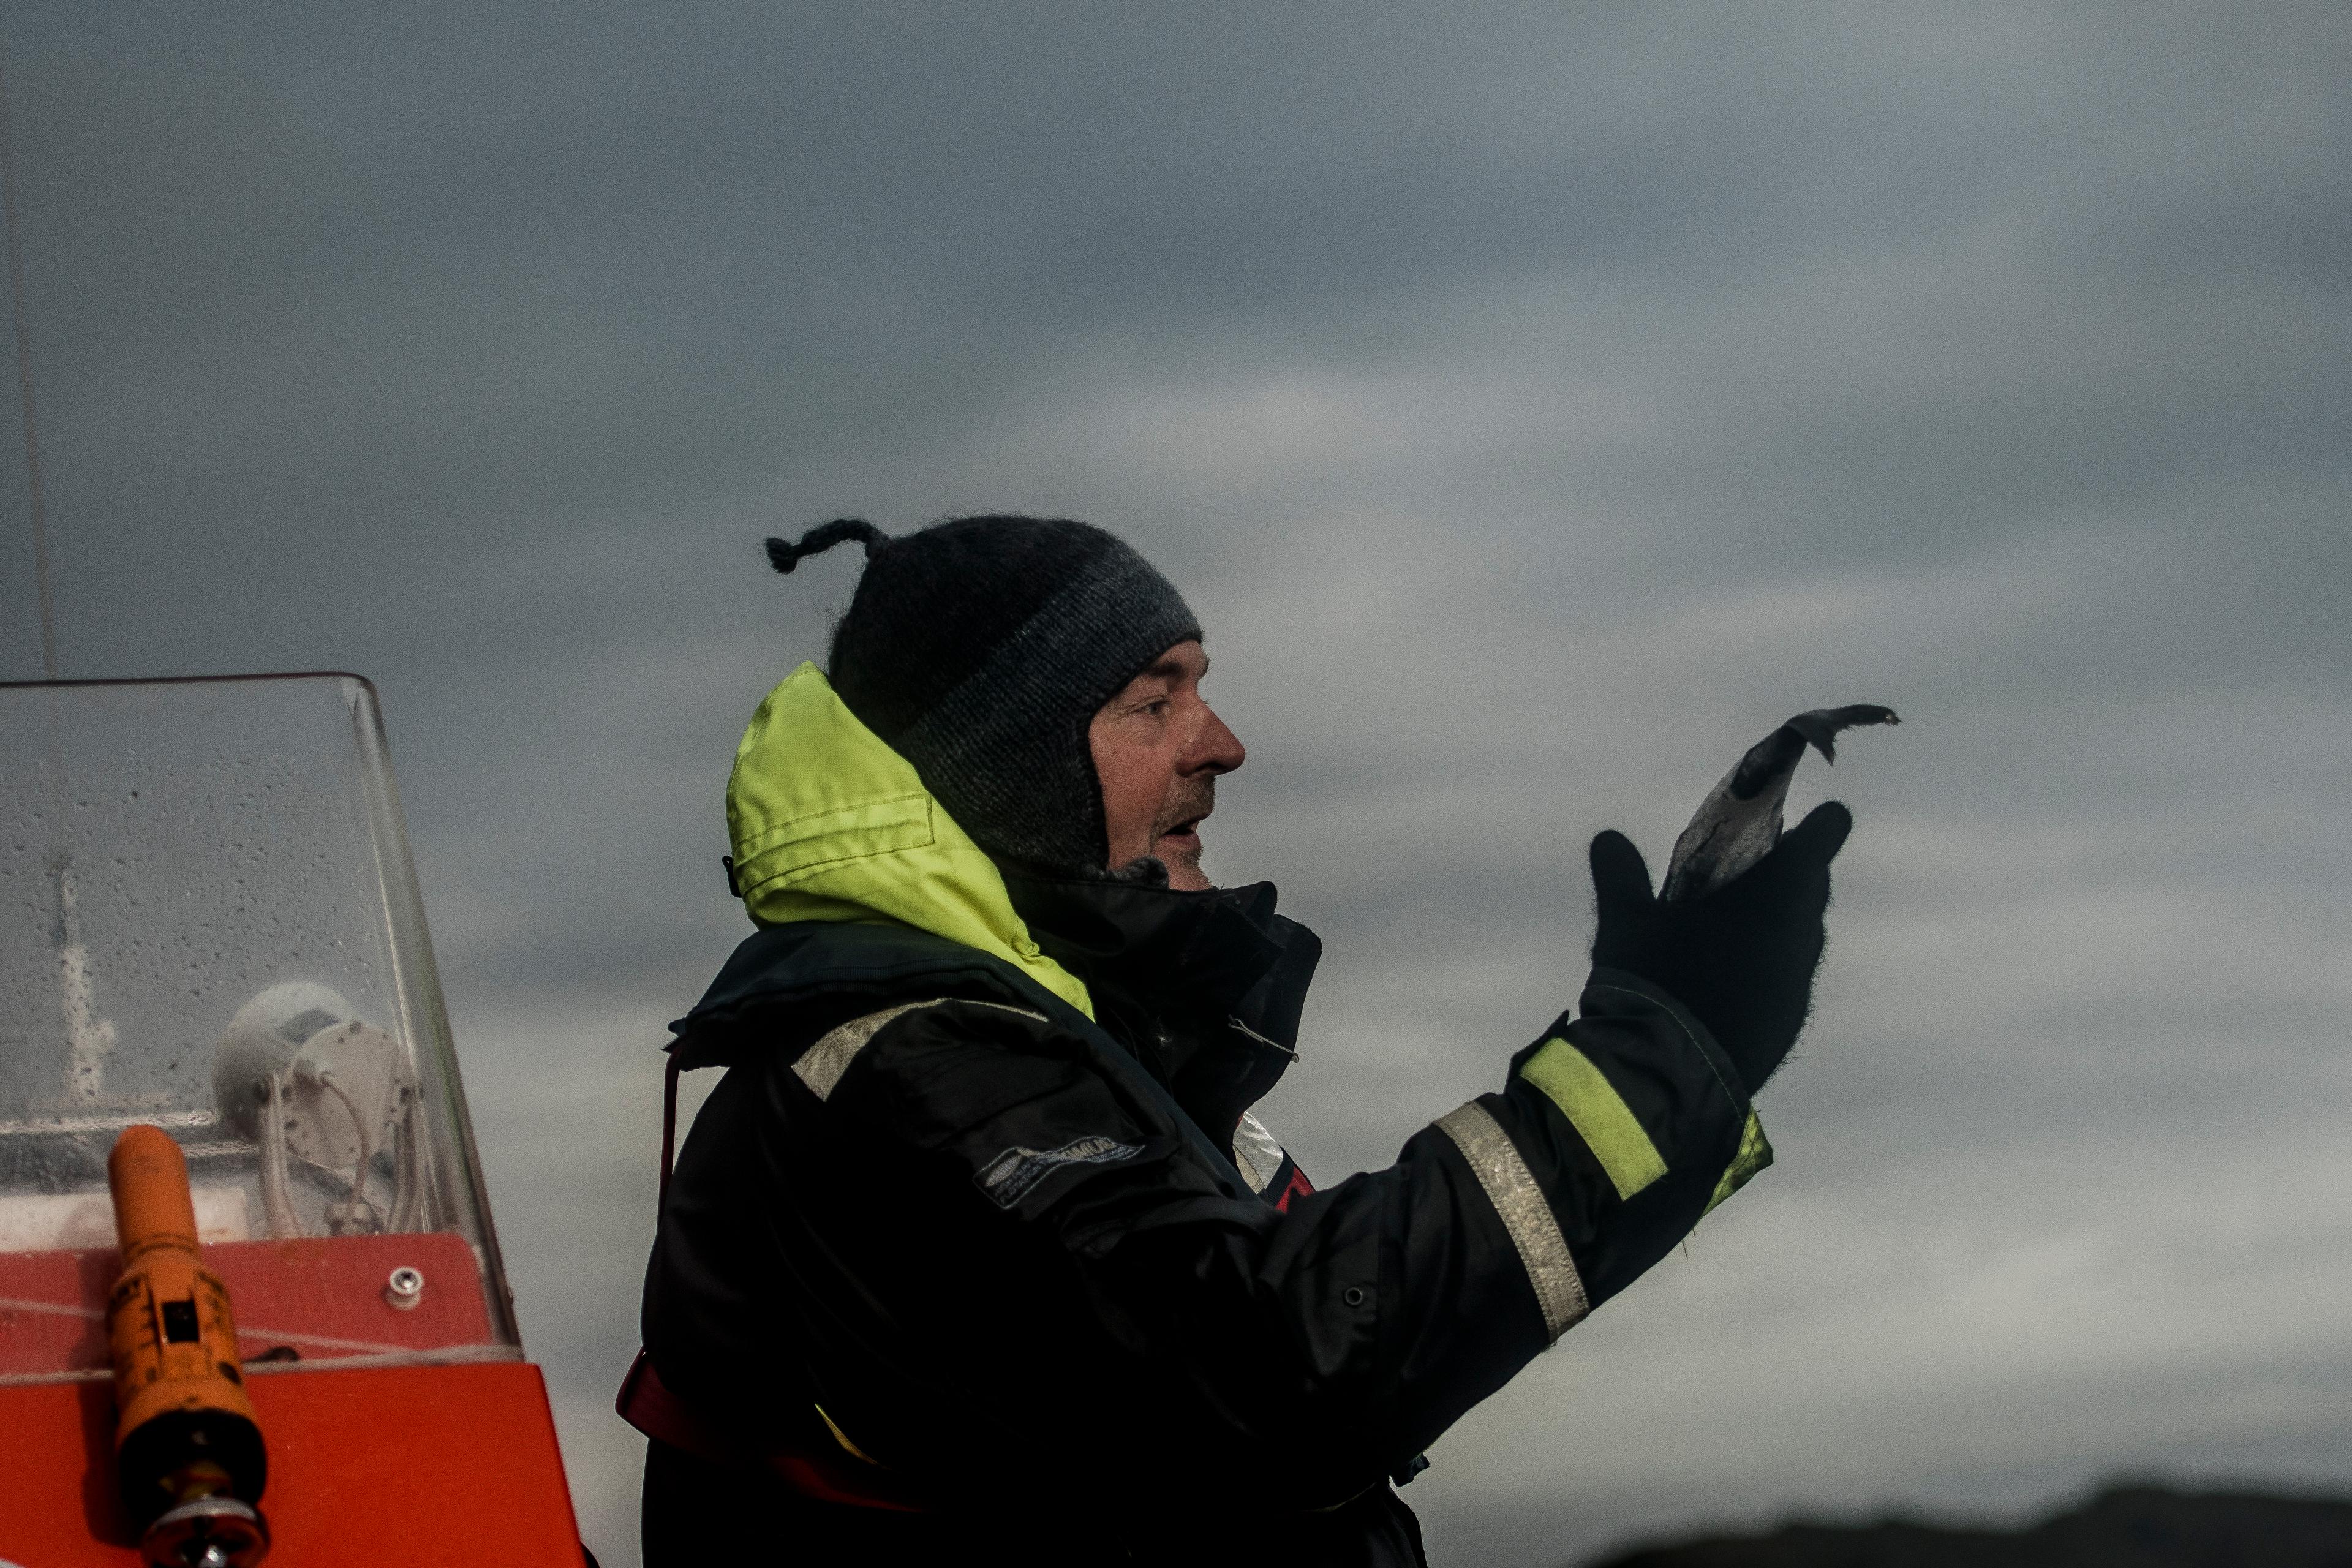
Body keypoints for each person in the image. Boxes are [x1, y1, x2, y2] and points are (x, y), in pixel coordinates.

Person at [625, 514, 1853, 1566]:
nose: (1222, 743)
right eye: (1155, 700)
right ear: (1001, 771)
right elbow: (1275, 1368)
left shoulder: (1048, 1064)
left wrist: (1672, 1047)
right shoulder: (915, 1076)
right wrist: (1669, 1050)